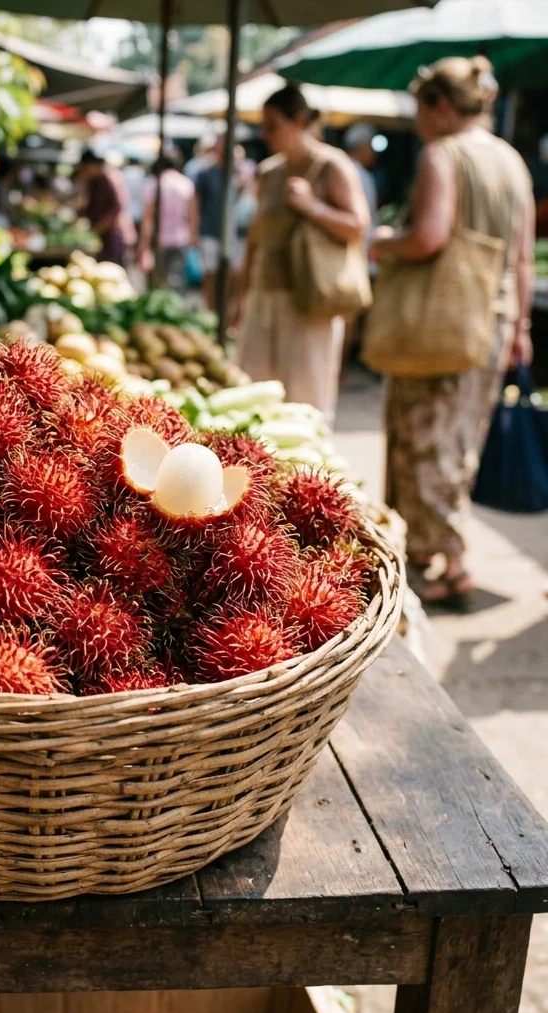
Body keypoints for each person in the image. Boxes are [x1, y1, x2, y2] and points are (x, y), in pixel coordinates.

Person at [370, 56, 534, 606]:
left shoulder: (444, 154)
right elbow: (522, 257)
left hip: (443, 321)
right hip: (495, 317)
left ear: (440, 106)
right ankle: (440, 554)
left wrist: (386, 240)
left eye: (419, 107)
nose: (417, 120)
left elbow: (430, 237)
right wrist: (522, 326)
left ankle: (443, 561)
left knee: (424, 438)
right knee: (461, 436)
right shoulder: (510, 159)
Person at [236, 83, 370, 421]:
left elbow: (357, 226)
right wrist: (241, 294)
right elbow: (256, 237)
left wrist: (312, 207)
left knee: (305, 405)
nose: (265, 135)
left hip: (311, 300)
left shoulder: (331, 166)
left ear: (298, 120)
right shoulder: (268, 172)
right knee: (253, 398)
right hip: (265, 296)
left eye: (272, 125)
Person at [138, 147, 198, 290]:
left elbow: (148, 217)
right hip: (180, 239)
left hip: (158, 240)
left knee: (157, 283)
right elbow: (192, 215)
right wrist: (194, 237)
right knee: (176, 283)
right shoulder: (185, 183)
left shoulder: (153, 183)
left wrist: (143, 243)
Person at [195, 134, 237, 310]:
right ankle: (209, 310)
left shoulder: (236, 173)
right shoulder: (206, 173)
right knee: (210, 275)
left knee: (229, 275)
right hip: (209, 231)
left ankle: (224, 312)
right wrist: (194, 230)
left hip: (231, 233)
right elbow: (196, 203)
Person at [76, 151, 131, 265]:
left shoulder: (108, 179)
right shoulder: (94, 181)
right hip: (101, 236)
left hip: (112, 236)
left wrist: (100, 227)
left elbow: (116, 207)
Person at [343, 123, 380, 243]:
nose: (373, 153)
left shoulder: (344, 168)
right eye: (370, 147)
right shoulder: (360, 175)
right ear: (363, 147)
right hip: (360, 242)